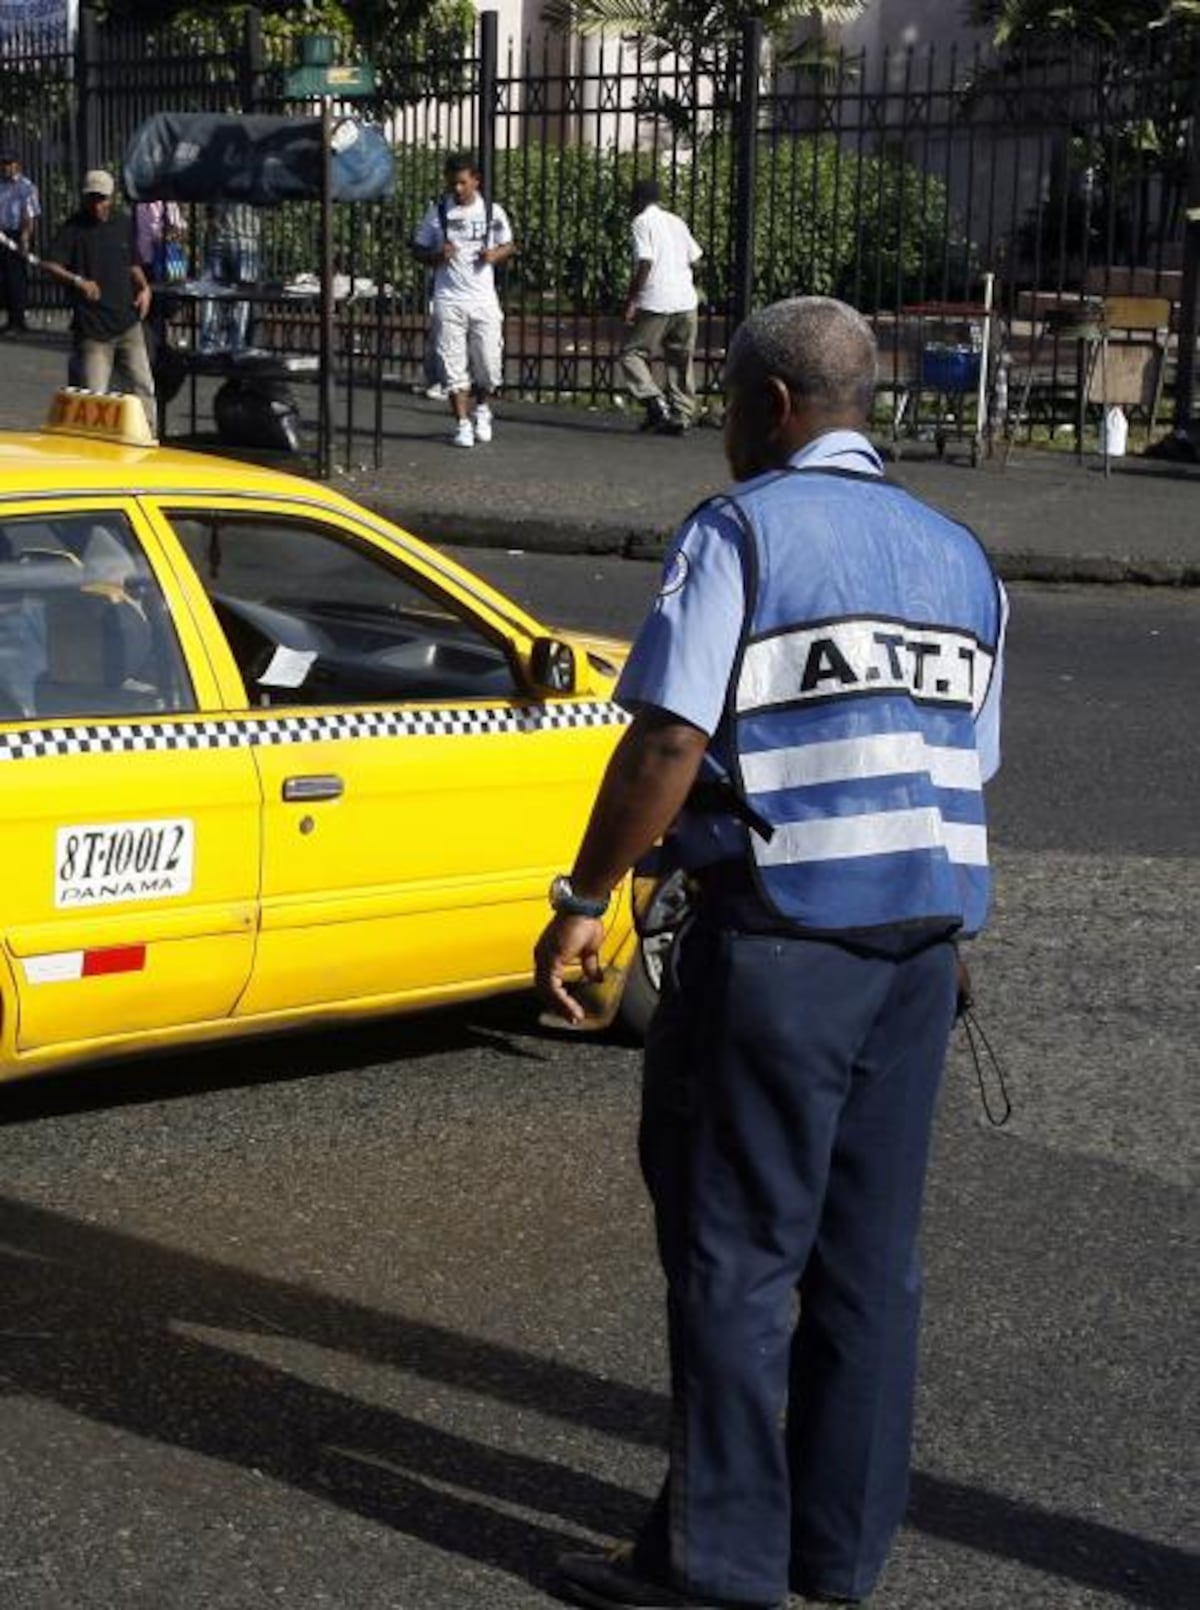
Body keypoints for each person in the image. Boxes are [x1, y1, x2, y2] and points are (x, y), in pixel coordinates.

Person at [535, 296, 1008, 1610]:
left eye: (734, 398)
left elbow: (668, 742)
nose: (727, 421)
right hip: (915, 952)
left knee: (736, 1260)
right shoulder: (960, 557)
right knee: (869, 1266)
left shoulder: (741, 531)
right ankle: (835, 1554)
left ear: (778, 407)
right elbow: (963, 763)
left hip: (780, 944)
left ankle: (720, 1570)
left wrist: (588, 890)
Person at [412, 154, 515, 448]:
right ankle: (462, 423)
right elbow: (417, 249)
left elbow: (509, 243)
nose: (457, 189)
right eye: (452, 183)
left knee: (488, 363)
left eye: (462, 183)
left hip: (482, 299)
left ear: (475, 181)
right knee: (452, 364)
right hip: (448, 298)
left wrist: (495, 255)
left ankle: (482, 408)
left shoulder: (492, 212)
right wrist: (436, 256)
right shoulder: (438, 212)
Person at [42, 169, 155, 432]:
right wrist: (78, 281)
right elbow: (50, 263)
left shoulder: (123, 223)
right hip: (93, 330)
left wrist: (144, 287)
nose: (97, 204)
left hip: (127, 322)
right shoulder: (74, 227)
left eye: (102, 198)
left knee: (144, 386)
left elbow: (132, 262)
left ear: (111, 197)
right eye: (92, 198)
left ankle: (151, 437)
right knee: (95, 398)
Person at [621, 178, 703, 436]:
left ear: (638, 200)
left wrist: (633, 299)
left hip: (657, 299)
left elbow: (645, 261)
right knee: (680, 358)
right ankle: (682, 415)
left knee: (632, 354)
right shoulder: (676, 221)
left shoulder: (641, 222)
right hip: (686, 300)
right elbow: (696, 257)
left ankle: (653, 400)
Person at [198, 201, 260, 354]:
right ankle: (232, 345)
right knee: (238, 295)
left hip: (232, 235)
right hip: (243, 236)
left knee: (214, 293)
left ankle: (213, 344)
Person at [0, 151, 41, 334]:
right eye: (3, 163)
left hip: (18, 234)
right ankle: (10, 319)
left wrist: (25, 237)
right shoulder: (1, 185)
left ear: (17, 164)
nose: (6, 167)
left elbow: (29, 215)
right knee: (4, 279)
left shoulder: (26, 187)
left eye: (9, 163)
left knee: (16, 278)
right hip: (2, 234)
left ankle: (19, 321)